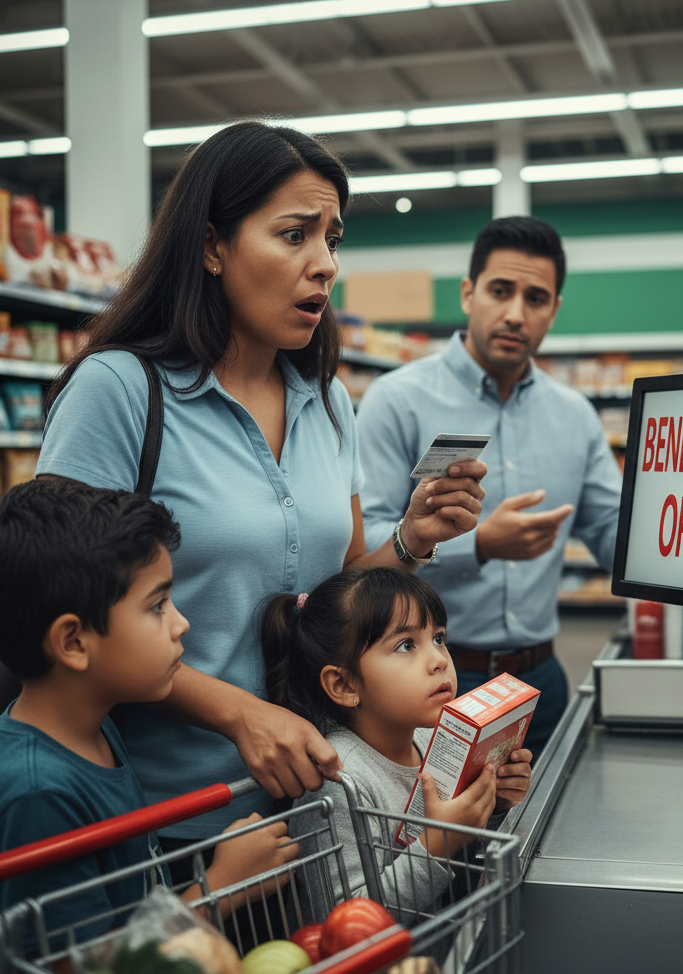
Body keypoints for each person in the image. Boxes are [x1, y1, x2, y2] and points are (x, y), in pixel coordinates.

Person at [37, 121, 486, 842]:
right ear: (212, 245)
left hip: (317, 810)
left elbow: (339, 593)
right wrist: (239, 714)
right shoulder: (118, 391)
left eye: (332, 239)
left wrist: (410, 540)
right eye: (294, 235)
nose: (325, 264)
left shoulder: (329, 401)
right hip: (169, 815)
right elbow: (61, 611)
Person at [0, 478, 297, 974]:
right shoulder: (36, 795)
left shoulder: (92, 728)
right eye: (157, 605)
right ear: (74, 642)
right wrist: (219, 888)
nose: (181, 623)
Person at [356, 216, 622, 757]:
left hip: (540, 682)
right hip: (432, 682)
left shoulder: (575, 415)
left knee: (544, 812)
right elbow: (363, 552)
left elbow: (614, 532)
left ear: (554, 310)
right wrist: (478, 544)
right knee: (436, 818)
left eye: (536, 298)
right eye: (501, 291)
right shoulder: (396, 399)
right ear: (468, 293)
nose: (516, 313)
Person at [261, 568, 532, 916]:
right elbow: (347, 918)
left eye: (438, 638)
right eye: (406, 645)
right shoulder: (337, 782)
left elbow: (466, 858)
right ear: (344, 686)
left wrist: (492, 804)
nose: (439, 660)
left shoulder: (435, 740)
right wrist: (438, 843)